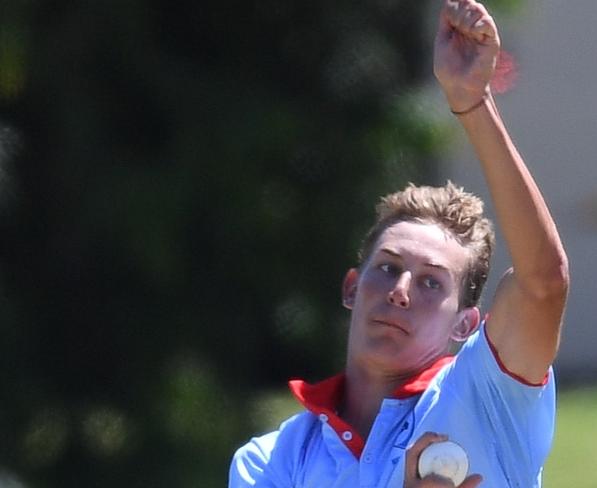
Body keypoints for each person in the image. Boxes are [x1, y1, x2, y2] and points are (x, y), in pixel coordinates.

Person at [229, 0, 569, 486]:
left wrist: (472, 101)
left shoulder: (488, 397)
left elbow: (544, 284)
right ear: (351, 287)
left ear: (465, 324)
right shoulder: (270, 459)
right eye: (388, 267)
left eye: (432, 282)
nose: (401, 290)